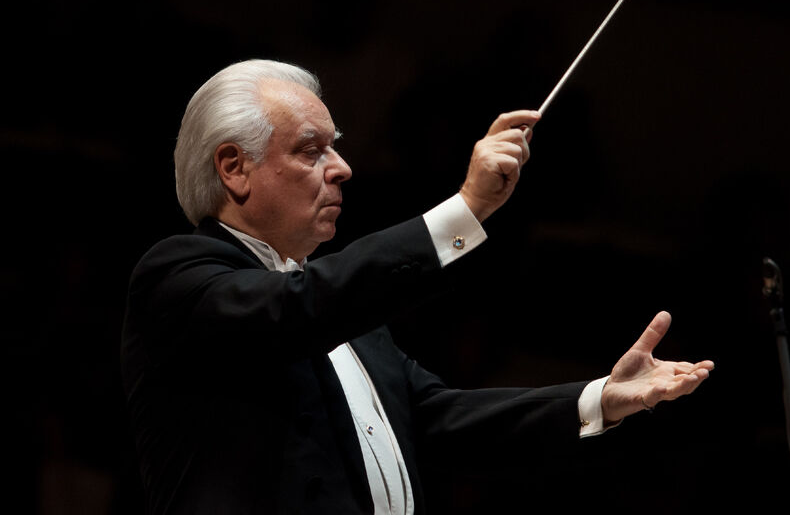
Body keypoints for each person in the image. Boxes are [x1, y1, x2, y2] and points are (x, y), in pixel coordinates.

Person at [121, 59, 714, 514]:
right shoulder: (179, 277)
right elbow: (296, 310)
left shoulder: (345, 315)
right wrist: (465, 209)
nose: (341, 167)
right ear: (234, 168)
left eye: (335, 146)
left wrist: (601, 398)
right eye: (311, 150)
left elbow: (438, 420)